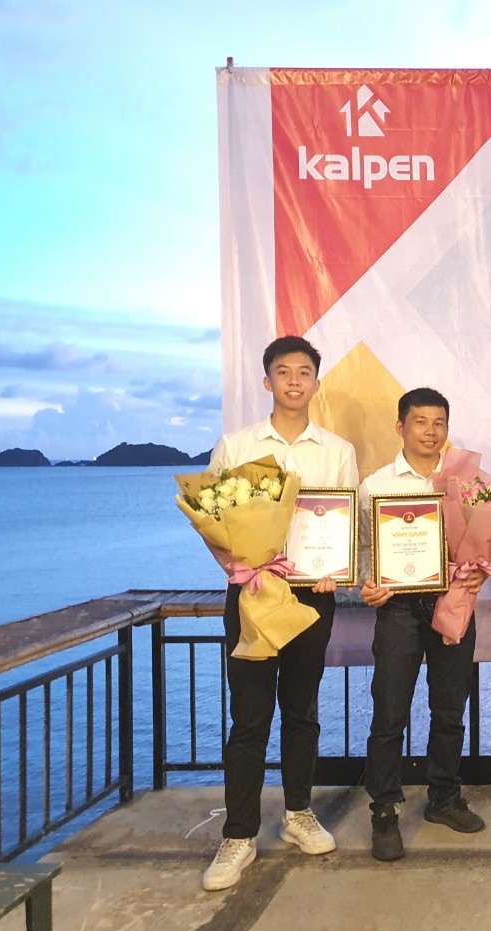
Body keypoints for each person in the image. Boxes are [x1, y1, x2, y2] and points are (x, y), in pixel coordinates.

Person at [202, 335, 359, 892]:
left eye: (304, 372)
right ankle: (238, 835)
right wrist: (235, 565)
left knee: (301, 710)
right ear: (267, 381)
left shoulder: (337, 451)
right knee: (249, 717)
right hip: (252, 593)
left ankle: (298, 813)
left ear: (317, 382)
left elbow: (345, 521)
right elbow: (211, 518)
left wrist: (336, 568)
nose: (294, 381)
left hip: (312, 594)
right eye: (284, 372)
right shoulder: (236, 445)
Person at [357, 388, 489, 861]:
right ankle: (384, 812)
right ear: (400, 427)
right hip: (397, 610)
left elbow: (481, 539)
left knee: (449, 708)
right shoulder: (375, 485)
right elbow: (363, 550)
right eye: (420, 422)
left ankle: (444, 798)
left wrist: (477, 569)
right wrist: (367, 583)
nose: (431, 432)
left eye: (439, 423)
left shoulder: (464, 483)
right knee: (390, 713)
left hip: (452, 603)